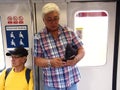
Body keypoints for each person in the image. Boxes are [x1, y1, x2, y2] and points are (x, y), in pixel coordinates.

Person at [34, 3, 85, 90]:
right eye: (49, 20)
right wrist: (50, 62)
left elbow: (81, 50)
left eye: (56, 18)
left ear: (59, 18)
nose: (53, 22)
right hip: (52, 84)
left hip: (71, 81)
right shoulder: (39, 37)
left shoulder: (69, 32)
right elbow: (37, 60)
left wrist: (76, 59)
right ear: (43, 20)